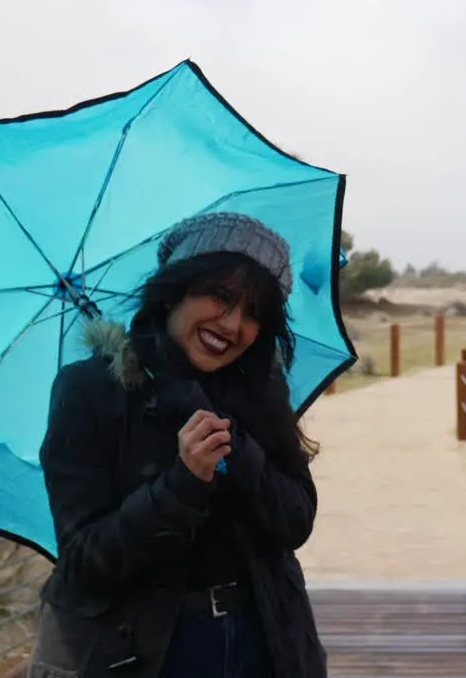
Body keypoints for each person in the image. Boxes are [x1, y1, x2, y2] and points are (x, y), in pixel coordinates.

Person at [28, 212, 327, 677]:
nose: (232, 324)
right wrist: (183, 485)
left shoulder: (260, 391)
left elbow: (296, 520)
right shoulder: (89, 391)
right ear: (175, 291)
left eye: (253, 313)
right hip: (143, 654)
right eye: (221, 297)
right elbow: (85, 561)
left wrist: (237, 447)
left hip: (264, 643)